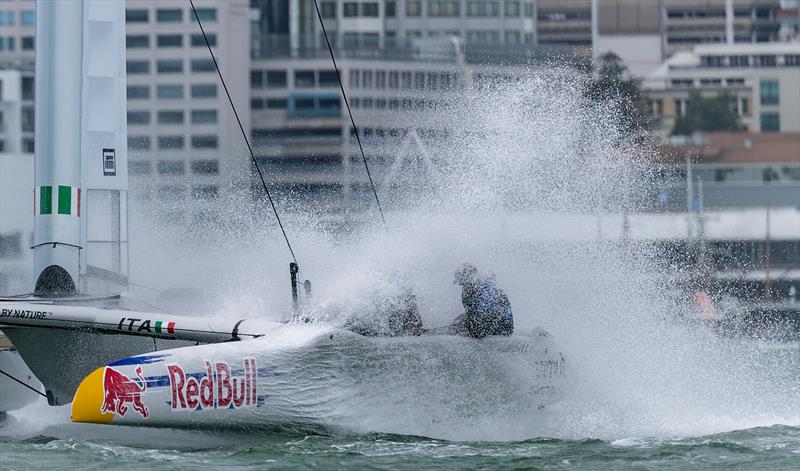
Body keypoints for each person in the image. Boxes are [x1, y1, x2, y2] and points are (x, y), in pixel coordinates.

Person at [451, 263, 513, 338]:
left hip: (499, 329)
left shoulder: (475, 288)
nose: (458, 280)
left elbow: (488, 314)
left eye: (458, 276)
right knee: (459, 324)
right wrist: (466, 315)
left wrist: (471, 333)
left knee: (459, 328)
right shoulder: (482, 283)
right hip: (502, 326)